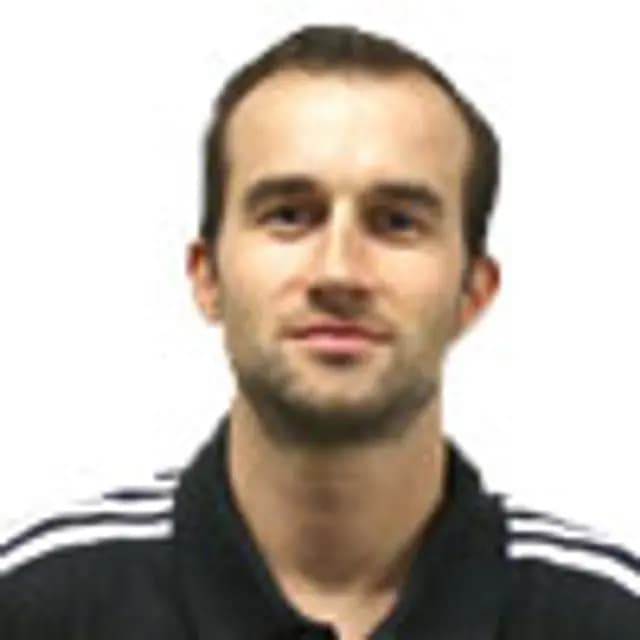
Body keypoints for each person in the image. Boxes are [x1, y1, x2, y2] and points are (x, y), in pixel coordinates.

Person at [1, 23, 638, 639]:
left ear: (473, 291)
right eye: (288, 215)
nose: (339, 272)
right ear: (208, 277)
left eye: (397, 222)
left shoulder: (609, 617)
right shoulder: (38, 607)